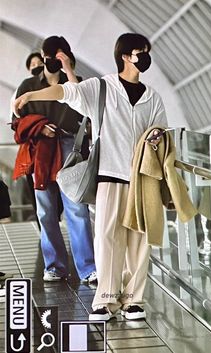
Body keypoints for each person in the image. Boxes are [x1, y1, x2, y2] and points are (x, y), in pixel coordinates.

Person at [14, 33, 167, 320]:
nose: (144, 57)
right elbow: (64, 92)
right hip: (110, 174)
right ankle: (106, 299)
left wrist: (156, 139)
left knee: (139, 239)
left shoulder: (152, 96)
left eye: (146, 51)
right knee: (107, 237)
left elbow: (162, 131)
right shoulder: (101, 87)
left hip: (142, 178)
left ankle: (133, 299)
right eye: (139, 52)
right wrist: (30, 96)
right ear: (124, 55)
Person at [12, 36, 96, 283]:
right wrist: (40, 128)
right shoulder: (28, 86)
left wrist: (69, 71)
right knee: (46, 210)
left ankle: (87, 267)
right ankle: (54, 266)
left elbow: (86, 114)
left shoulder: (76, 84)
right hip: (41, 152)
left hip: (72, 150)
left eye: (60, 56)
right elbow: (17, 123)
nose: (53, 61)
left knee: (77, 209)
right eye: (50, 56)